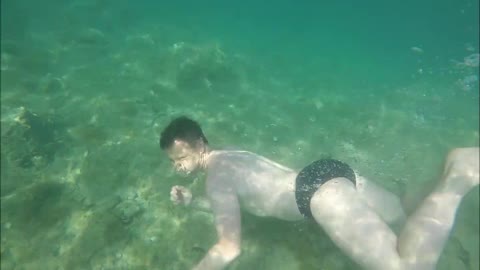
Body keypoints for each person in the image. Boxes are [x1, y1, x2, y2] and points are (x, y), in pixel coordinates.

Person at [159, 116, 479, 270]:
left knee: (409, 268)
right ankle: (446, 169)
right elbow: (236, 204)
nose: (179, 167)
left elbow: (229, 247)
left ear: (200, 144)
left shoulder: (216, 179)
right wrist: (194, 202)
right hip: (328, 172)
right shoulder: (229, 156)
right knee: (403, 213)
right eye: (174, 162)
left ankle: (459, 178)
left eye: (181, 158)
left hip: (319, 196)